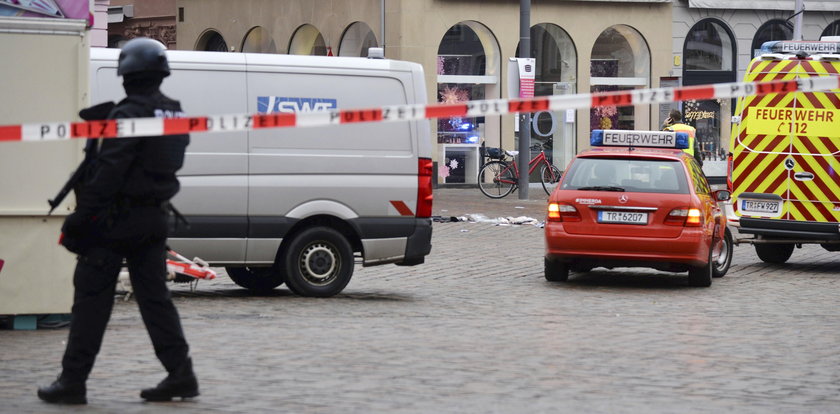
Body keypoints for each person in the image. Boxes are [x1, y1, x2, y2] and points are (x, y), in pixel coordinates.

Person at [37, 37, 197, 404]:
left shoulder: (128, 115)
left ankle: (72, 382)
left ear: (126, 75)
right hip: (154, 218)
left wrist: (81, 218)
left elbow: (108, 172)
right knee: (156, 301)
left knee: (91, 301)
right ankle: (181, 374)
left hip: (114, 221)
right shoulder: (175, 113)